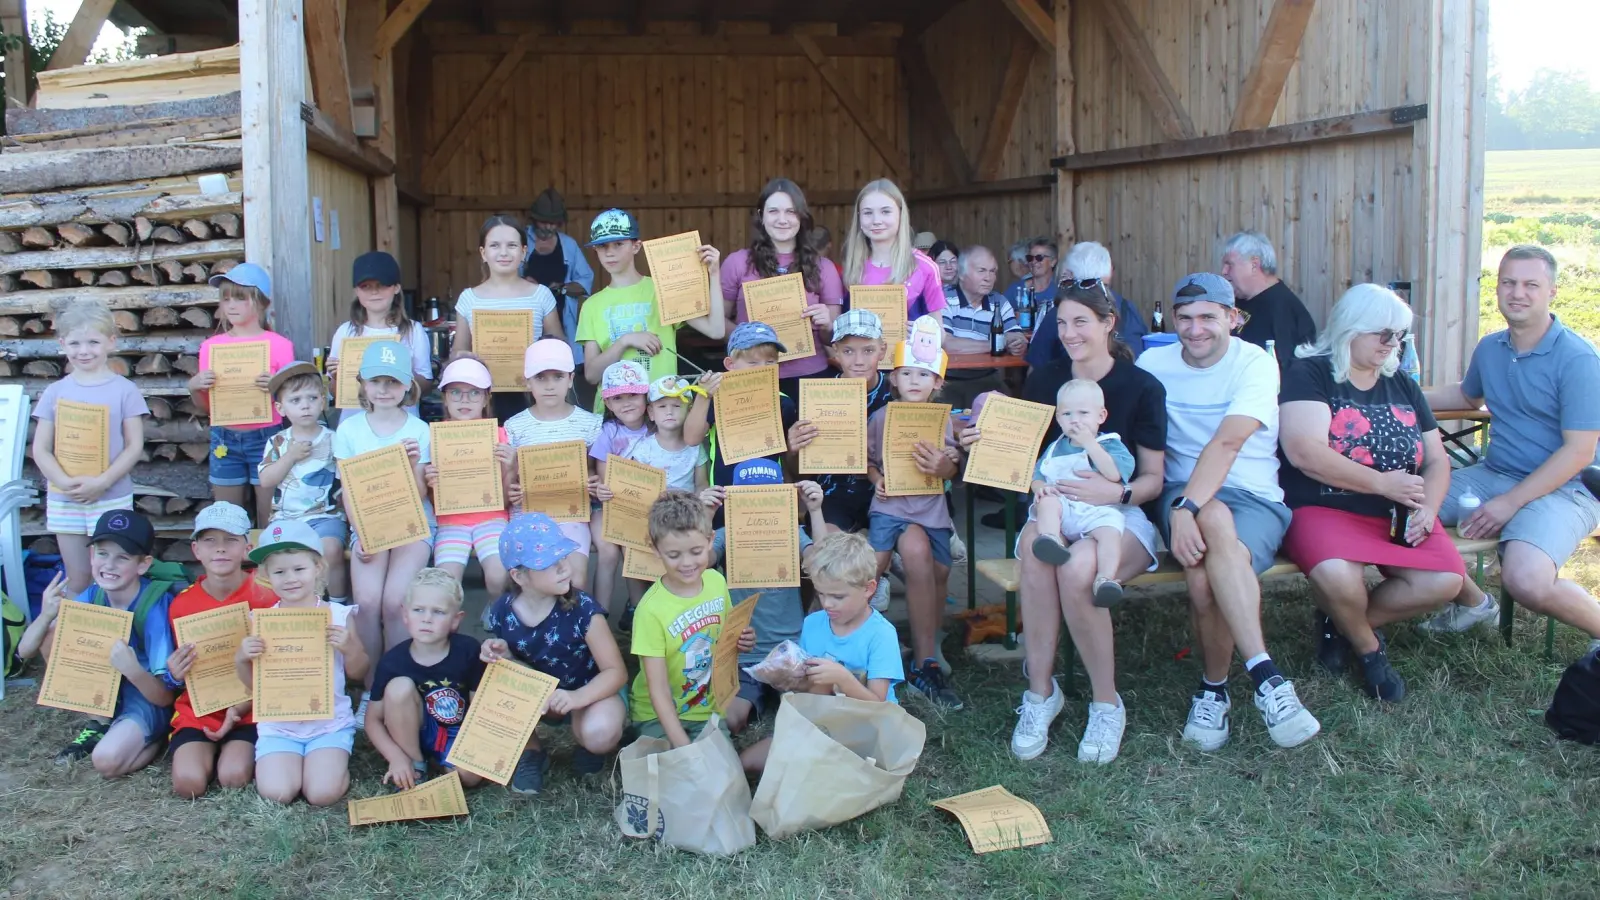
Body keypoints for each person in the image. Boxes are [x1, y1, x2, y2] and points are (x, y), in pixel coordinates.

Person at [960, 284, 1166, 763]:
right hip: (1056, 506)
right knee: (1038, 554)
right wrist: (981, 445)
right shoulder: (1045, 380)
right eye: (1061, 324)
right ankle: (1040, 693)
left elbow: (1153, 479)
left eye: (1080, 322)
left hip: (1118, 513)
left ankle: (1106, 703)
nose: (1069, 333)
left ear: (1108, 323)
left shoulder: (1142, 386)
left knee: (1076, 569)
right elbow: (1025, 460)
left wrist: (1115, 492)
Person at [1138, 272, 1320, 751]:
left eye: (1208, 317)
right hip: (1180, 490)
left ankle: (1213, 689)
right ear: (1172, 319)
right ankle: (1267, 678)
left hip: (1252, 495)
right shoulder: (1152, 363)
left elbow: (1228, 442)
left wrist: (1186, 510)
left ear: (1233, 318)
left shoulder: (1255, 362)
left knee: (1203, 579)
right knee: (1213, 517)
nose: (1195, 329)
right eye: (1185, 318)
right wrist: (1183, 505)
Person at [1277, 284, 1463, 702]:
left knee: (1445, 581)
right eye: (1383, 333)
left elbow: (1437, 459)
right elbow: (1304, 451)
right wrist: (1381, 482)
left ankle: (1339, 625)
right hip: (1323, 505)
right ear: (1351, 326)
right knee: (1338, 577)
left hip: (1397, 510)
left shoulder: (1402, 384)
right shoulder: (1311, 372)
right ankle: (1369, 651)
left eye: (1399, 335)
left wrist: (1429, 508)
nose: (1392, 343)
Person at [1419, 245, 1600, 643]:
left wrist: (1510, 503)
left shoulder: (1579, 359)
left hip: (1567, 488)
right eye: (1508, 282)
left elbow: (1579, 452)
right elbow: (1467, 397)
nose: (1517, 293)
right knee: (1401, 513)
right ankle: (1473, 602)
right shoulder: (1491, 347)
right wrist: (1400, 394)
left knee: (1527, 581)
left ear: (1552, 291)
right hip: (1495, 473)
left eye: (1531, 284)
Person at [19, 511, 178, 775]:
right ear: (92, 555)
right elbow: (25, 652)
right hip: (106, 685)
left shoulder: (153, 606)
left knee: (106, 761)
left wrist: (133, 670)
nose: (109, 565)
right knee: (53, 632)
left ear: (143, 564)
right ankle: (99, 721)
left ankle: (156, 737)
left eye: (122, 557)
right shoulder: (94, 594)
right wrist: (46, 615)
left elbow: (165, 697)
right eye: (103, 553)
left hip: (145, 693)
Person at [481, 513, 629, 794]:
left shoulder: (583, 608)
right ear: (519, 576)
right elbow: (514, 665)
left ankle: (587, 744)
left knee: (600, 733)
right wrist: (500, 653)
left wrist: (577, 698)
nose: (564, 567)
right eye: (549, 563)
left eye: (563, 557)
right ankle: (531, 751)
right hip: (541, 696)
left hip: (592, 691)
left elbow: (616, 672)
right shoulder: (502, 611)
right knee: (490, 682)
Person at [739, 532, 904, 774]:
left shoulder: (881, 634)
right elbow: (811, 690)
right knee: (746, 763)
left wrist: (843, 678)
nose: (827, 604)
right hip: (819, 721)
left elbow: (878, 707)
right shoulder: (813, 623)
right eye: (821, 593)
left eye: (838, 596)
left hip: (867, 729)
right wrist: (790, 679)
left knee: (814, 773)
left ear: (869, 588)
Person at [333, 340, 433, 720]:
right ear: (362, 383)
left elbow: (421, 494)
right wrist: (362, 533)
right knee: (367, 601)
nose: (384, 389)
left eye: (393, 382)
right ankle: (372, 689)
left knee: (395, 602)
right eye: (376, 381)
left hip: (411, 523)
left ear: (408, 385)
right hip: (369, 524)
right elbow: (348, 491)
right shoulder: (350, 430)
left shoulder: (420, 430)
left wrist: (411, 464)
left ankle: (399, 686)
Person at [867, 316, 963, 709]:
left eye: (923, 374)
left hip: (931, 509)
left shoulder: (944, 422)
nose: (914, 380)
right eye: (906, 373)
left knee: (940, 571)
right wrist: (877, 479)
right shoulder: (881, 418)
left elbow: (953, 468)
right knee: (875, 569)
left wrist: (947, 466)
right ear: (894, 378)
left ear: (937, 382)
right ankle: (869, 650)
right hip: (890, 507)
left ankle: (928, 648)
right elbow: (868, 461)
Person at [237, 519, 368, 806]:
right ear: (267, 576)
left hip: (329, 725)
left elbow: (359, 672)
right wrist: (242, 659)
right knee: (277, 793)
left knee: (322, 794)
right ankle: (294, 764)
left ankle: (330, 768)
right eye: (279, 572)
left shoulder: (338, 616)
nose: (290, 579)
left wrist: (349, 648)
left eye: (299, 569)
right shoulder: (262, 622)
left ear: (317, 567)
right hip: (279, 726)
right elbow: (255, 688)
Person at [30, 299, 147, 596]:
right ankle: (77, 624)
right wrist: (63, 482)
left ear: (111, 342)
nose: (84, 351)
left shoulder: (125, 390)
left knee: (112, 575)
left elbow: (134, 445)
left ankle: (114, 623)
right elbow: (41, 448)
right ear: (62, 344)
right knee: (79, 577)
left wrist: (103, 482)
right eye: (75, 343)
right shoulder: (55, 391)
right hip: (66, 497)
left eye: (93, 342)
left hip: (110, 496)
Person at [163, 502, 278, 798]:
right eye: (210, 540)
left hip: (251, 708)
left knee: (233, 776)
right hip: (200, 709)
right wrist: (174, 674)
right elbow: (179, 674)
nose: (220, 548)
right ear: (196, 550)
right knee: (188, 784)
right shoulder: (181, 605)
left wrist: (241, 708)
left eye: (231, 540)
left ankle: (234, 751)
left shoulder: (268, 598)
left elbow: (277, 670)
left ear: (247, 548)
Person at [628, 492, 755, 747]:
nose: (686, 563)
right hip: (657, 715)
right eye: (674, 555)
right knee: (676, 768)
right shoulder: (650, 610)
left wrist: (743, 640)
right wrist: (684, 749)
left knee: (721, 769)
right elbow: (658, 691)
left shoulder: (716, 582)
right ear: (655, 549)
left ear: (710, 540)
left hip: (705, 708)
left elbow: (727, 639)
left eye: (696, 552)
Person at [707, 471, 828, 734]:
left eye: (768, 495)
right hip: (743, 655)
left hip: (790, 649)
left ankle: (783, 704)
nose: (759, 503)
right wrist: (706, 515)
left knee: (808, 720)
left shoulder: (791, 531)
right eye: (750, 496)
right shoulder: (726, 533)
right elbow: (701, 560)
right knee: (730, 720)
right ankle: (756, 699)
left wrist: (815, 511)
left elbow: (822, 564)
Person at [574, 208, 726, 411]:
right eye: (602, 246)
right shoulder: (591, 305)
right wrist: (625, 341)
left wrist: (714, 274)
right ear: (595, 250)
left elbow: (716, 330)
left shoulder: (662, 290)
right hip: (615, 415)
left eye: (618, 244)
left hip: (663, 411)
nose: (610, 252)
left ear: (636, 246)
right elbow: (592, 375)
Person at [190, 263, 296, 525]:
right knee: (227, 519)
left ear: (261, 302)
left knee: (270, 518)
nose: (231, 306)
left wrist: (278, 387)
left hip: (267, 436)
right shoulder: (211, 347)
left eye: (239, 298)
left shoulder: (280, 345)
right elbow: (206, 408)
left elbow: (293, 405)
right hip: (224, 437)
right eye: (226, 299)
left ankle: (265, 554)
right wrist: (194, 387)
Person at [364, 568, 486, 791]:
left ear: (456, 620)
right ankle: (415, 764)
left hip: (455, 731)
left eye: (438, 612)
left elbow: (480, 708)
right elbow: (372, 721)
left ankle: (440, 761)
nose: (427, 619)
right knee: (399, 687)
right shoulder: (393, 661)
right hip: (410, 731)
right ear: (405, 614)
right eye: (418, 610)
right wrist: (396, 757)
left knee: (469, 777)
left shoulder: (468, 651)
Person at [681, 321, 805, 531]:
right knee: (724, 545)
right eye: (753, 363)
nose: (762, 369)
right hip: (723, 495)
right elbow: (691, 438)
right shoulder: (716, 397)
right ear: (730, 364)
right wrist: (703, 396)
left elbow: (786, 459)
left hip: (768, 496)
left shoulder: (784, 402)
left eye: (770, 362)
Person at [720, 177, 844, 385]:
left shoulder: (824, 267)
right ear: (761, 215)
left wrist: (826, 325)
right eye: (773, 211)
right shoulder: (737, 263)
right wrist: (749, 341)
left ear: (801, 216)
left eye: (791, 211)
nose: (782, 219)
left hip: (811, 376)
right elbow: (719, 322)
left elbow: (832, 337)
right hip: (753, 376)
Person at [1028, 379, 1138, 607]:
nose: (1075, 420)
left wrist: (1090, 444)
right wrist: (1040, 488)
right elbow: (1037, 475)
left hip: (1096, 511)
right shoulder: (1055, 448)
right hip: (1063, 509)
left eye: (1083, 413)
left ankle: (1105, 579)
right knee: (1047, 502)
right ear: (1058, 418)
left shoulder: (1110, 444)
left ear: (1101, 416)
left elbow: (1114, 474)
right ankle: (1050, 540)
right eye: (1067, 414)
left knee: (1110, 533)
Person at [505, 339, 602, 590]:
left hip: (571, 514)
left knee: (575, 579)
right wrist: (512, 487)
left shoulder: (590, 424)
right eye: (540, 378)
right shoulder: (514, 426)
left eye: (558, 377)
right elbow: (511, 481)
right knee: (532, 580)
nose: (549, 385)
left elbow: (593, 472)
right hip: (528, 515)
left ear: (570, 379)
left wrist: (593, 483)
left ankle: (577, 615)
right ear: (528, 382)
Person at [451, 215, 565, 422]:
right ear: (483, 253)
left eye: (511, 245)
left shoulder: (540, 295)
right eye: (495, 245)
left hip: (533, 398)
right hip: (483, 402)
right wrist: (468, 358)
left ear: (523, 252)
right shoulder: (469, 299)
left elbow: (560, 349)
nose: (503, 252)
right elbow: (457, 355)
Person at [422, 357, 514, 611]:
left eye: (474, 393)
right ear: (444, 398)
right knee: (446, 582)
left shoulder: (499, 435)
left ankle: (495, 614)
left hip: (492, 518)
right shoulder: (435, 437)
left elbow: (506, 498)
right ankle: (448, 628)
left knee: (498, 576)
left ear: (486, 399)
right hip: (451, 522)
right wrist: (430, 482)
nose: (464, 400)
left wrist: (510, 467)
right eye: (456, 392)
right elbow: (433, 499)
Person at [258, 360, 349, 605]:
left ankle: (337, 605)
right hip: (285, 517)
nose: (305, 405)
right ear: (281, 408)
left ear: (323, 401)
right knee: (280, 557)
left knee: (331, 550)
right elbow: (266, 479)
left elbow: (347, 477)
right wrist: (290, 457)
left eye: (312, 398)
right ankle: (291, 606)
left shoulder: (334, 439)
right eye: (295, 400)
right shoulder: (277, 442)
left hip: (325, 515)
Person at [326, 251, 433, 424]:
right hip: (356, 425)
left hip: (402, 425)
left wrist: (404, 374)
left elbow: (427, 385)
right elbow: (335, 393)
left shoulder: (413, 331)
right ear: (356, 291)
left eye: (382, 285)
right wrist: (338, 377)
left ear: (396, 287)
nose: (374, 291)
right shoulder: (345, 332)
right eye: (365, 286)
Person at [590, 360, 655, 617]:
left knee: (634, 547)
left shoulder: (656, 430)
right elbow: (604, 476)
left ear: (646, 396)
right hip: (608, 505)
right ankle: (598, 615)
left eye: (633, 395)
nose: (626, 403)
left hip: (646, 507)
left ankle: (638, 609)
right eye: (618, 398)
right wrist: (603, 490)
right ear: (607, 403)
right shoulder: (608, 432)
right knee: (607, 551)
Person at [1023, 241, 1147, 369]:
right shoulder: (1128, 308)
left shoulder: (1061, 312)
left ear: (1069, 275)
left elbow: (1035, 369)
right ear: (1108, 272)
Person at [841, 179, 947, 319]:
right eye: (868, 213)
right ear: (859, 218)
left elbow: (939, 328)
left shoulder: (925, 267)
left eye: (885, 212)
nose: (876, 220)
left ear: (900, 214)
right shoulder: (852, 267)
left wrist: (921, 329)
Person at [938, 244, 1025, 409]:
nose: (989, 278)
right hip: (948, 380)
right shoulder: (943, 299)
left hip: (988, 377)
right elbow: (946, 344)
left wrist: (1017, 343)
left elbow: (1016, 336)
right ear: (961, 274)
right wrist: (997, 344)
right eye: (982, 271)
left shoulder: (999, 301)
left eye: (993, 271)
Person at [1219, 230, 1316, 378]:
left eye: (1229, 265)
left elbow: (1284, 373)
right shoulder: (1234, 300)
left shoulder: (1283, 311)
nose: (1224, 271)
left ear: (1254, 264)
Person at [520, 188, 596, 375]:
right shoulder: (519, 240)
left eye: (553, 223)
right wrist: (522, 283)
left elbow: (586, 281)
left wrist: (562, 288)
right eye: (544, 222)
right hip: (524, 322)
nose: (549, 227)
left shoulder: (568, 245)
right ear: (534, 219)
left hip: (563, 323)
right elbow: (503, 278)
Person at [929, 240, 960, 305]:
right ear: (932, 264)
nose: (949, 267)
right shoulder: (927, 294)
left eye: (953, 261)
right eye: (942, 262)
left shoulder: (968, 290)